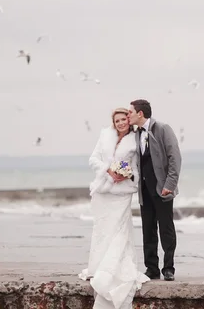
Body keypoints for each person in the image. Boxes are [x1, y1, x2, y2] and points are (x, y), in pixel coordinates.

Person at [78, 108, 150, 309]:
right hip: (102, 191)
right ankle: (98, 265)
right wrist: (108, 169)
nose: (120, 123)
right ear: (113, 122)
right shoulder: (104, 137)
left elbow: (137, 168)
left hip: (122, 192)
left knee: (119, 229)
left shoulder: (135, 139)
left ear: (129, 120)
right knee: (102, 230)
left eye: (123, 119)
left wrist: (127, 174)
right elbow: (93, 159)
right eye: (117, 120)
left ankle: (115, 268)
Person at [128, 99, 182, 281]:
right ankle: (151, 268)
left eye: (130, 112)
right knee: (148, 229)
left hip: (162, 188)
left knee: (166, 228)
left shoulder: (163, 128)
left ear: (140, 113)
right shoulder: (135, 134)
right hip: (144, 190)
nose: (128, 116)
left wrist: (170, 185)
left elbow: (175, 158)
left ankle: (168, 268)